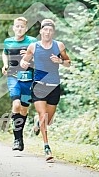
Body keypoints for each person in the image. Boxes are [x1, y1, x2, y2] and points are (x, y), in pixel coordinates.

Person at [20, 19, 71, 161]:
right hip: (39, 86)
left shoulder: (59, 45)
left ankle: (37, 123)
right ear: (41, 31)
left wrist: (60, 61)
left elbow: (68, 63)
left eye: (50, 30)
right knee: (43, 115)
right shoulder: (33, 46)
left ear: (53, 32)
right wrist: (23, 63)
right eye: (45, 30)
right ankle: (46, 146)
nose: (47, 32)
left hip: (54, 86)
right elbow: (24, 61)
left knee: (48, 120)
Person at [2, 17, 37, 151]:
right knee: (16, 104)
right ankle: (17, 139)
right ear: (13, 28)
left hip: (28, 78)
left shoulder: (32, 41)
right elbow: (4, 53)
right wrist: (5, 65)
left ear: (26, 28)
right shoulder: (8, 41)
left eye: (22, 27)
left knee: (23, 108)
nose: (19, 29)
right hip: (13, 76)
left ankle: (19, 136)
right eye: (17, 26)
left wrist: (29, 56)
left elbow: (40, 57)